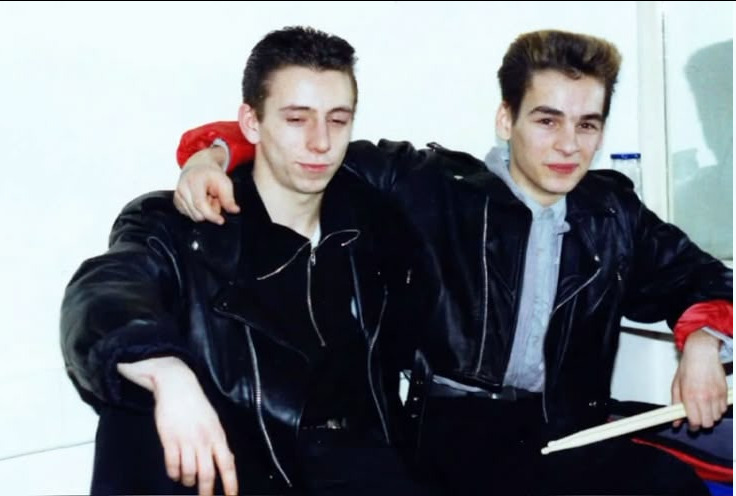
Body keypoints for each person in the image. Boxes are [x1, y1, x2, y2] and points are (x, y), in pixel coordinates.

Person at [171, 29, 733, 495]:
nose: (570, 145)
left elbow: (703, 275)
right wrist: (210, 155)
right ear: (506, 119)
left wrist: (703, 343)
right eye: (547, 120)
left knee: (674, 485)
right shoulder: (433, 186)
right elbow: (307, 147)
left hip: (568, 430)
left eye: (587, 124)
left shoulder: (610, 211)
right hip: (452, 436)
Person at [60, 26, 434, 496]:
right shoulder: (183, 228)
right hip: (251, 467)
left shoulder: (373, 213)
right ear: (251, 124)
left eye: (338, 120)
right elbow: (102, 289)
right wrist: (165, 371)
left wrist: (213, 149)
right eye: (296, 119)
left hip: (364, 464)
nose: (321, 142)